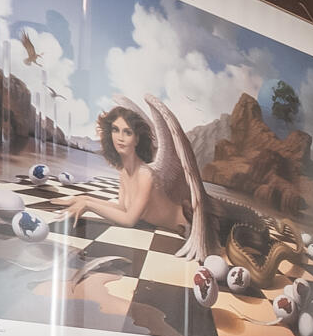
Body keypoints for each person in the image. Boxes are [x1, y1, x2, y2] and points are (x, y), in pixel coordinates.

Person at [61, 96, 209, 260]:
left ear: (137, 139)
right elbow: (123, 209)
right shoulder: (125, 173)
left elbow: (129, 220)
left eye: (127, 132)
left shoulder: (146, 174)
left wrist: (88, 205)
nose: (120, 137)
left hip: (192, 228)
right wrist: (84, 198)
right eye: (115, 130)